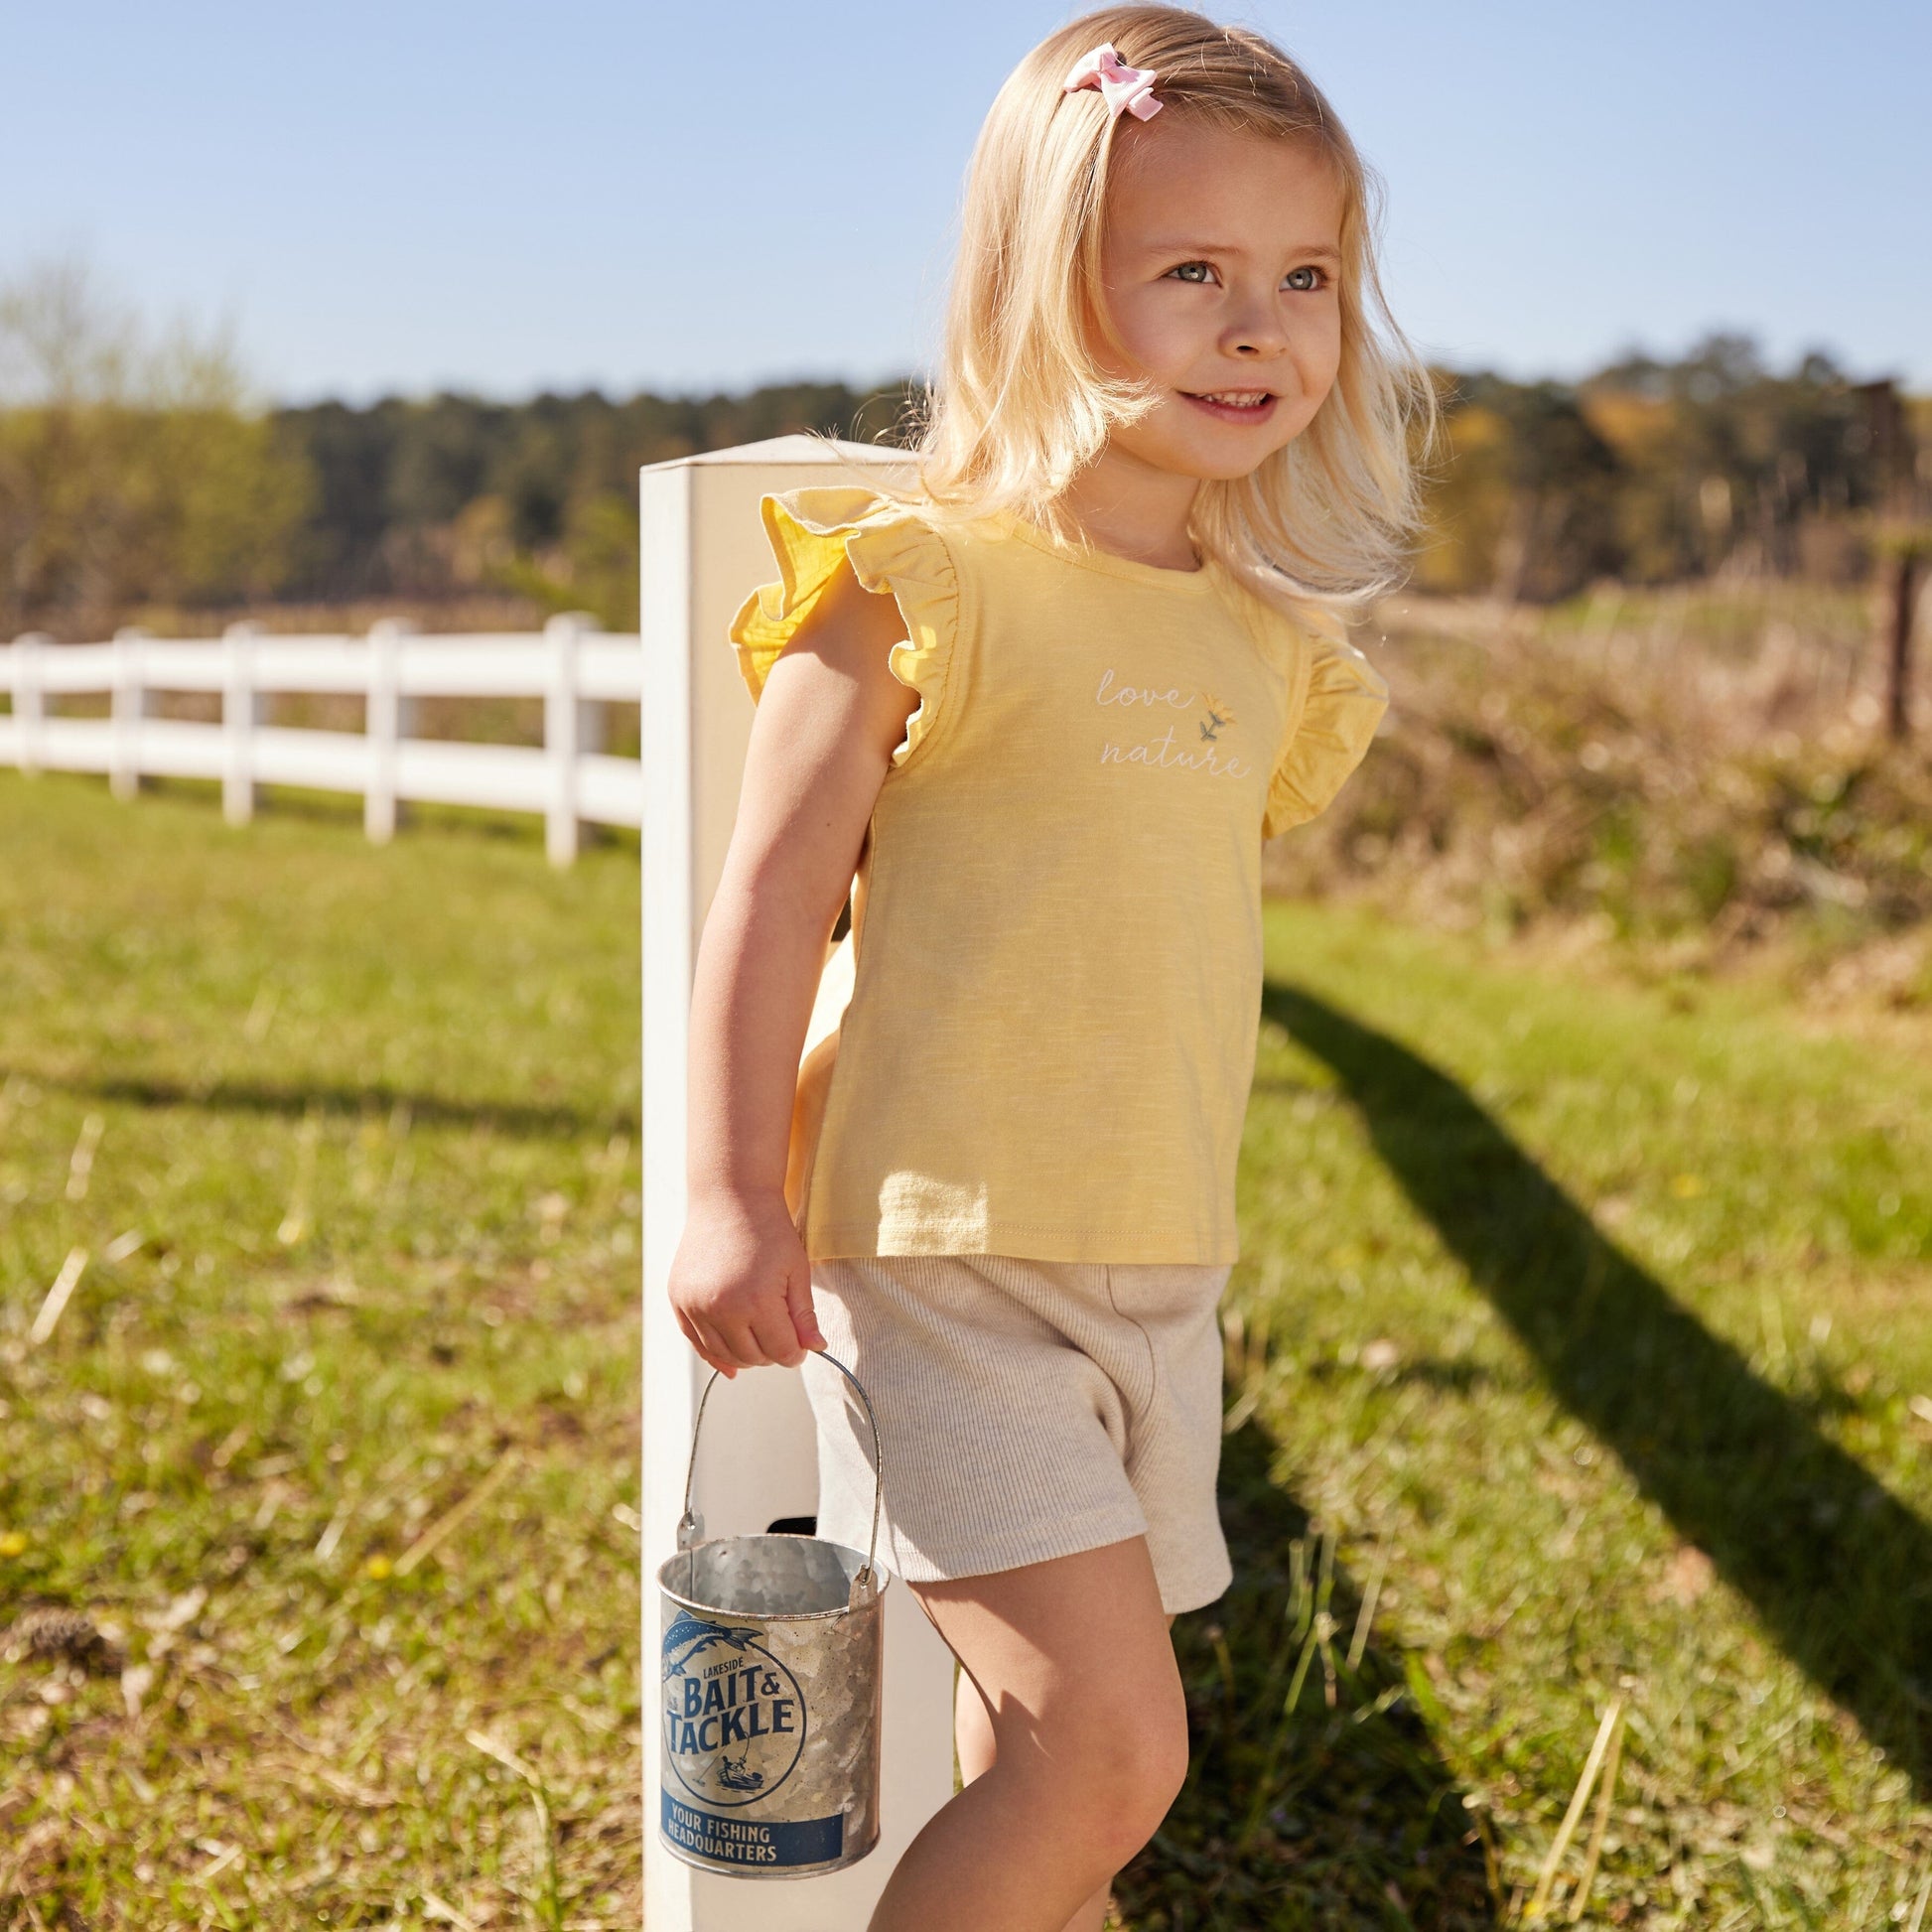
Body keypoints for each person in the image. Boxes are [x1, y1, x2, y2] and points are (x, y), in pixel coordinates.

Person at [665, 8, 1435, 1927]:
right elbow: (769, 900)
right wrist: (725, 1193)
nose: (1258, 327)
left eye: (1304, 278)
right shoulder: (924, 577)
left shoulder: (1267, 650)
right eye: (1191, 273)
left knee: (1039, 1764)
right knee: (1114, 1747)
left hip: (1158, 1259)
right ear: (1041, 285)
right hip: (947, 1251)